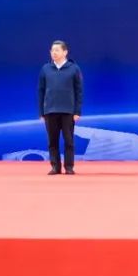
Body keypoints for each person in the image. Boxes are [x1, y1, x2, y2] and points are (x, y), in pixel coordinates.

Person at [37, 40, 83, 175]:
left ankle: (69, 167)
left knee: (69, 141)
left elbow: (79, 91)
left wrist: (77, 111)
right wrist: (41, 112)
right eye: (52, 50)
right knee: (52, 141)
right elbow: (41, 90)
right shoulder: (45, 69)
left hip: (68, 111)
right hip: (50, 110)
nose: (54, 53)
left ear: (65, 52)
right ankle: (55, 167)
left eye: (57, 50)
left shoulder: (74, 68)